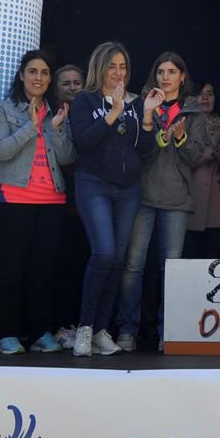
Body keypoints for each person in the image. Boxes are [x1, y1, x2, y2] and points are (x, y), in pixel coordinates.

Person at [0, 50, 75, 354]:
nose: (39, 78)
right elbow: (0, 151)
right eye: (33, 71)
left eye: (45, 72)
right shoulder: (5, 109)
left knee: (43, 270)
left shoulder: (56, 112)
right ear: (22, 75)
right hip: (12, 200)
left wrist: (58, 128)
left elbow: (67, 157)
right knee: (11, 268)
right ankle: (6, 334)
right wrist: (31, 125)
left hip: (51, 201)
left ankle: (40, 331)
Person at [119, 52, 207, 350]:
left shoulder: (194, 110)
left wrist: (181, 138)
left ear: (183, 77)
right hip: (141, 194)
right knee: (133, 266)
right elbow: (132, 148)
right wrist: (155, 134)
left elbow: (197, 156)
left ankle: (168, 331)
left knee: (172, 268)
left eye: (171, 72)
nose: (165, 77)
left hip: (177, 198)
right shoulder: (141, 104)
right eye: (160, 72)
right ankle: (127, 330)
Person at [68, 42, 143, 356]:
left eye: (123, 66)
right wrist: (112, 113)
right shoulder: (84, 100)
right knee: (104, 253)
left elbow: (145, 147)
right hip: (94, 183)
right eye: (112, 66)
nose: (118, 72)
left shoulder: (134, 102)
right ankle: (84, 328)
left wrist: (149, 121)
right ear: (100, 67)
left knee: (118, 260)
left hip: (128, 188)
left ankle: (101, 330)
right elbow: (84, 142)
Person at [54, 62, 90, 349]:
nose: (72, 87)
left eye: (77, 82)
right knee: (61, 269)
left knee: (84, 266)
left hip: (88, 205)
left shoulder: (92, 114)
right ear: (56, 89)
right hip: (58, 203)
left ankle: (83, 326)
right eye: (66, 83)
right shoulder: (49, 116)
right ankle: (61, 325)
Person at [185, 81, 220, 258]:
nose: (205, 98)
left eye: (210, 93)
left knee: (213, 258)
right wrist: (208, 153)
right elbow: (182, 161)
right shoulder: (184, 124)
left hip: (217, 202)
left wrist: (218, 147)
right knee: (189, 256)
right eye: (201, 93)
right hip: (190, 199)